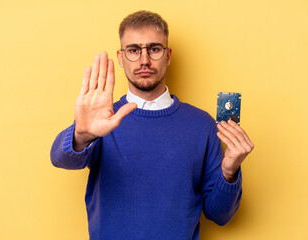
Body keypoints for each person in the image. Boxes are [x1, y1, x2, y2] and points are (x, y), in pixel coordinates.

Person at [50, 10, 254, 240]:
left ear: (168, 56)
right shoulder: (103, 119)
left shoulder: (201, 124)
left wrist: (229, 172)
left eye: (154, 49)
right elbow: (60, 159)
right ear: (120, 57)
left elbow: (220, 215)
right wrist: (82, 134)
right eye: (134, 50)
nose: (144, 60)